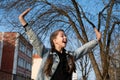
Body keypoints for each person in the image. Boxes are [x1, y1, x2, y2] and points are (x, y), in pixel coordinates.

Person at [19, 8, 101, 80]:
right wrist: (24, 22)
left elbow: (84, 49)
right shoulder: (46, 53)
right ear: (55, 40)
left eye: (65, 36)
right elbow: (35, 39)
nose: (65, 37)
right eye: (62, 36)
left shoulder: (70, 56)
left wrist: (96, 40)